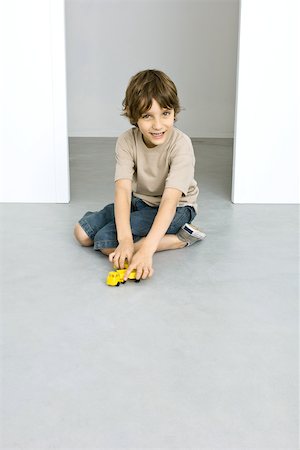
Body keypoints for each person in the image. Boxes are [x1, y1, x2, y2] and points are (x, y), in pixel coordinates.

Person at [74, 69, 206, 281]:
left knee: (106, 242)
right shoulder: (126, 141)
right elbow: (123, 190)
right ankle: (158, 240)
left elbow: (170, 202)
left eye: (165, 113)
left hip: (178, 208)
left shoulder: (181, 145)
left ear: (174, 112)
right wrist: (125, 239)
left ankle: (180, 239)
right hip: (141, 201)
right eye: (147, 116)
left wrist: (146, 251)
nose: (158, 125)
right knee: (82, 234)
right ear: (134, 116)